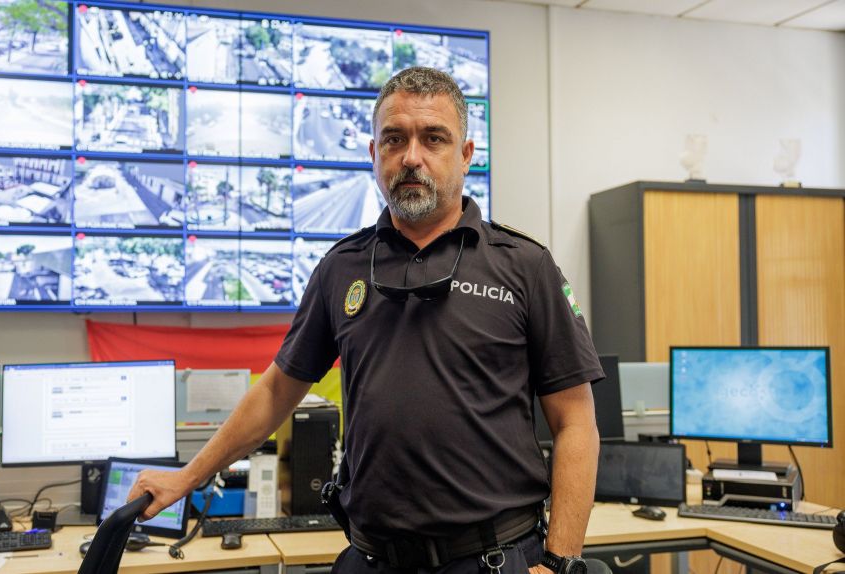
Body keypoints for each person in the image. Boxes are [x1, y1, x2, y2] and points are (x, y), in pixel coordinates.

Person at [128, 67, 604, 574]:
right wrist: (187, 477)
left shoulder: (523, 265)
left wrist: (561, 561)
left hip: (492, 558)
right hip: (370, 558)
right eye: (394, 140)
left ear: (465, 154)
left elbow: (575, 420)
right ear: (375, 155)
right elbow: (275, 393)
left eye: (434, 139)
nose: (412, 157)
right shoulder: (343, 267)